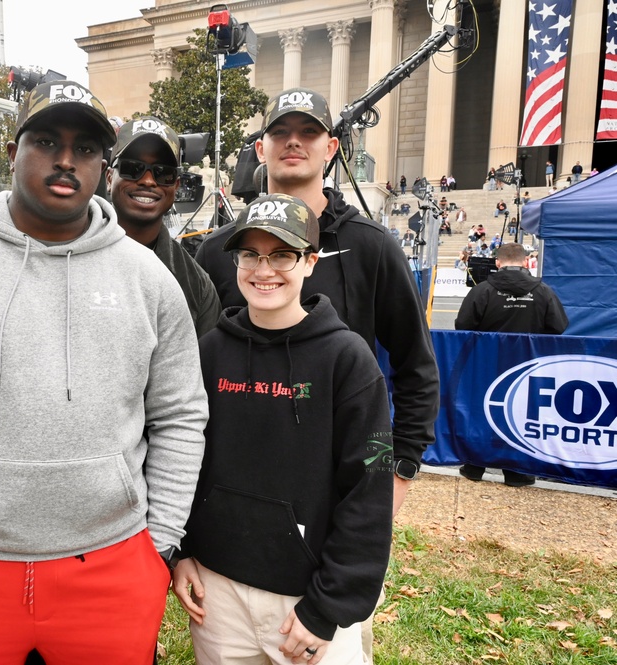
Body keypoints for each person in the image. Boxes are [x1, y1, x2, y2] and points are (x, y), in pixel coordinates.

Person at [0, 80, 208, 665]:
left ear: (103, 164)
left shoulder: (148, 280)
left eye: (87, 148)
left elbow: (180, 415)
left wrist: (160, 545)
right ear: (13, 151)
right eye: (47, 140)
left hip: (114, 565)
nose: (67, 159)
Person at [194, 87, 438, 518]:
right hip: (232, 483)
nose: (293, 141)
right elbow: (190, 372)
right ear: (260, 147)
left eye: (308, 132)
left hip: (337, 485)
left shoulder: (372, 246)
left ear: (330, 148)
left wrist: (399, 468)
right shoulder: (217, 251)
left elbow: (415, 367)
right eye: (280, 131)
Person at [173, 193, 394, 665]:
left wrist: (327, 607)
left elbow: (368, 490)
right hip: (218, 593)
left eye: (282, 254)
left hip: (305, 602)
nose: (263, 269)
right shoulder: (209, 351)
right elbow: (182, 456)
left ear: (311, 261)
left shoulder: (348, 361)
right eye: (250, 254)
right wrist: (183, 550)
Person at [455, 243, 568, 487]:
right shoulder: (543, 291)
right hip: (528, 365)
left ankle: (474, 465)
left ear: (497, 263)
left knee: (483, 411)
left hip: (487, 364)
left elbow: (462, 325)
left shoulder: (482, 290)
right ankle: (517, 471)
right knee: (520, 414)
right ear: (526, 261)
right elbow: (558, 326)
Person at [107, 115, 221, 337]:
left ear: (176, 186)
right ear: (110, 177)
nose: (148, 181)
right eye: (133, 168)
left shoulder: (197, 284)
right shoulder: (70, 254)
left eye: (163, 173)